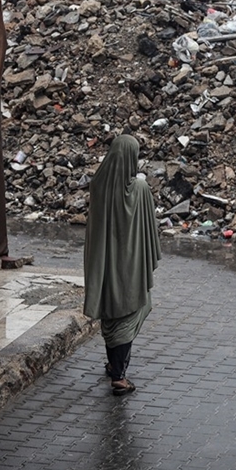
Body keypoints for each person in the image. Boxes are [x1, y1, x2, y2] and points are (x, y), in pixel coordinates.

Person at [83, 134, 160, 396]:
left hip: (104, 264)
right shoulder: (139, 189)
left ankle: (112, 364)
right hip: (130, 265)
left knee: (110, 314)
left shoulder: (98, 186)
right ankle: (119, 376)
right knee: (128, 313)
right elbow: (150, 227)